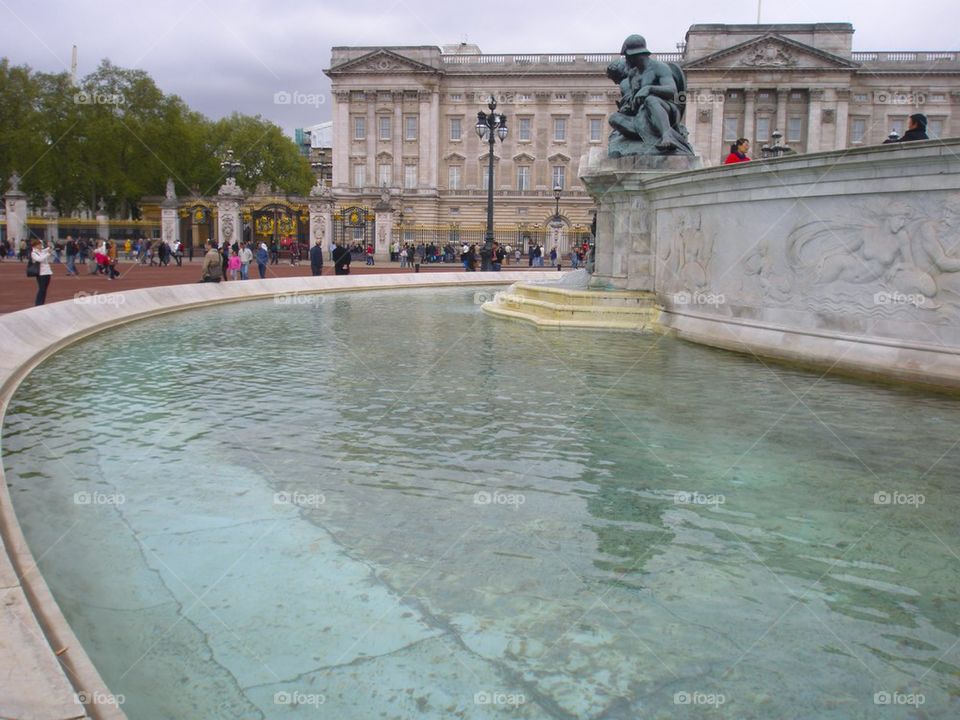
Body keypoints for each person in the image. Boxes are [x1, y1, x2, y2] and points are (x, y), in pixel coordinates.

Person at [30, 239, 53, 305]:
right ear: (35, 246)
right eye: (39, 244)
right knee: (41, 289)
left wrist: (50, 246)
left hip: (47, 272)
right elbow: (40, 259)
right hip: (41, 273)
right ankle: (38, 303)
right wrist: (48, 254)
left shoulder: (41, 251)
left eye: (40, 244)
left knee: (45, 289)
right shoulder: (34, 253)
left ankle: (42, 302)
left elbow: (48, 248)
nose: (40, 245)